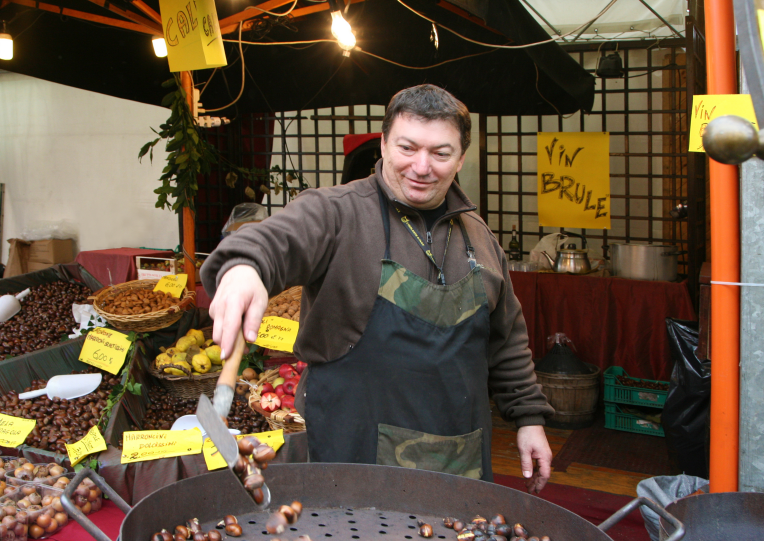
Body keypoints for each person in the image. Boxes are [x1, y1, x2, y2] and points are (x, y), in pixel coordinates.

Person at [201, 84, 555, 492]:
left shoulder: (479, 238)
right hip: (350, 458)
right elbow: (274, 240)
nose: (422, 167)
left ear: (459, 159)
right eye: (407, 148)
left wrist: (529, 418)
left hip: (459, 463)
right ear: (383, 144)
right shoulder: (337, 213)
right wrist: (245, 268)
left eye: (440, 153)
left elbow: (506, 338)